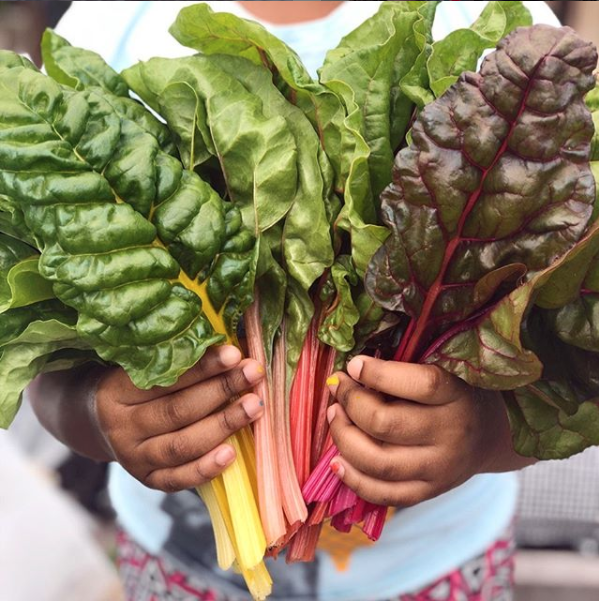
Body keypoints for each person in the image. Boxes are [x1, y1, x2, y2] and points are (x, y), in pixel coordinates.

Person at [29, 2, 561, 600]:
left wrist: (479, 435)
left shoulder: (494, 26)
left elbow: (563, 363)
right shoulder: (110, 24)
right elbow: (46, 372)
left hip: (433, 566)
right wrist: (100, 416)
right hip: (184, 568)